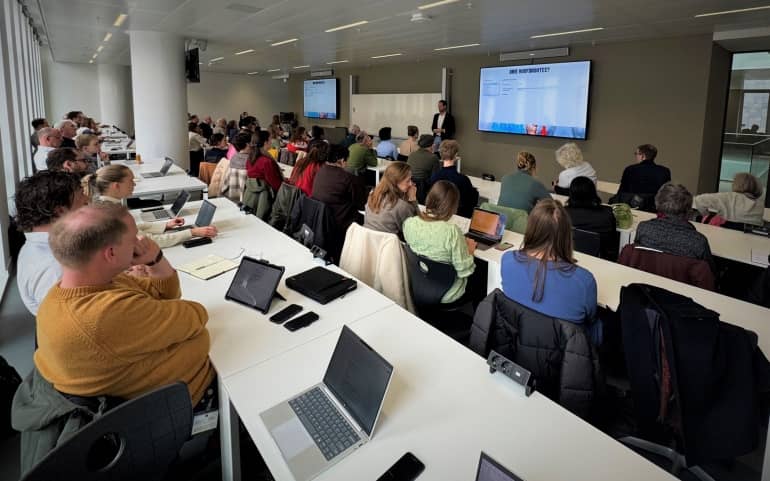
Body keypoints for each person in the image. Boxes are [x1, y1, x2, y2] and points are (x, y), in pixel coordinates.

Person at [34, 202, 216, 405]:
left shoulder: (73, 289)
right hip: (182, 400)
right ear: (111, 253)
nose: (140, 242)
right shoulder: (105, 313)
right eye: (133, 238)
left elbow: (166, 294)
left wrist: (154, 259)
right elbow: (196, 315)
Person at [501, 199, 601, 345]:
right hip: (567, 353)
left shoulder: (507, 260)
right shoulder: (584, 281)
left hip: (517, 343)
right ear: (567, 235)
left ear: (531, 229)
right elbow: (591, 318)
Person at [82, 164, 218, 247]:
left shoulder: (104, 204)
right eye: (131, 181)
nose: (134, 184)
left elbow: (134, 228)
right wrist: (192, 233)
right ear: (116, 186)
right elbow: (152, 241)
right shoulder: (112, 212)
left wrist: (165, 225)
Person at [15, 171, 89, 315]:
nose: (87, 199)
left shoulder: (40, 246)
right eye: (81, 196)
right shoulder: (55, 267)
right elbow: (75, 321)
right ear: (60, 211)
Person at [403, 180, 475, 304]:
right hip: (447, 292)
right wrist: (470, 252)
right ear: (453, 206)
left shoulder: (410, 223)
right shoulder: (452, 232)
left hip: (417, 286)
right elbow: (464, 271)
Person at [634, 182, 715, 271]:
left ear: (657, 204)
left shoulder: (644, 228)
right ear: (689, 211)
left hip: (647, 277)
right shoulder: (698, 242)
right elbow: (709, 272)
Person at [311, 144, 367, 235]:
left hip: (320, 220)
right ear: (341, 160)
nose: (347, 163)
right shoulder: (349, 179)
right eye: (347, 160)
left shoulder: (320, 171)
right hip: (341, 224)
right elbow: (361, 205)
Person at [565, 176, 618, 260]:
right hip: (600, 259)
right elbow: (612, 243)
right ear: (593, 192)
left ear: (571, 194)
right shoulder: (607, 213)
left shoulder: (563, 213)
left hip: (569, 256)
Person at [364, 161, 418, 235]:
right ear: (395, 182)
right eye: (408, 181)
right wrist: (413, 199)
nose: (411, 184)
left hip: (366, 238)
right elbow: (416, 228)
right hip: (387, 241)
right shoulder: (402, 206)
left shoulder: (373, 195)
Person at [428, 140, 478, 218]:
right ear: (456, 155)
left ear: (441, 154)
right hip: (458, 216)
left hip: (437, 215)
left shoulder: (434, 177)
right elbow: (471, 202)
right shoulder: (463, 179)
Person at [693, 172, 765, 226]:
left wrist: (706, 215)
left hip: (724, 233)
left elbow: (699, 200)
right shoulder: (760, 204)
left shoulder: (728, 197)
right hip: (750, 238)